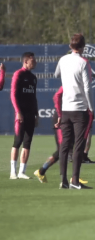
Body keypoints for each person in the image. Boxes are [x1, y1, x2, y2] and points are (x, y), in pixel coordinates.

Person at [55, 33, 94, 189]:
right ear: (83, 47)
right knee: (78, 145)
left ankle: (63, 180)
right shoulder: (84, 62)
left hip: (65, 109)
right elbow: (88, 88)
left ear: (70, 46)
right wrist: (91, 107)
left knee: (65, 145)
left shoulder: (63, 60)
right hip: (79, 109)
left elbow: (56, 74)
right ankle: (75, 181)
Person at [33, 87, 89, 184]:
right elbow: (57, 96)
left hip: (71, 116)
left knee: (71, 147)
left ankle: (74, 177)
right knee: (63, 149)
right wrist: (60, 114)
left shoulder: (79, 83)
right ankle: (42, 171)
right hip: (62, 118)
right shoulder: (69, 82)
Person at [9, 52, 39, 180]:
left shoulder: (33, 78)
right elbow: (13, 95)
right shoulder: (18, 74)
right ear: (26, 62)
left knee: (27, 143)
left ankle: (22, 171)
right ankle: (12, 172)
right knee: (18, 141)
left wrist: (36, 114)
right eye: (33, 60)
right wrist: (18, 111)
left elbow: (34, 97)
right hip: (20, 114)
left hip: (31, 114)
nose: (35, 62)